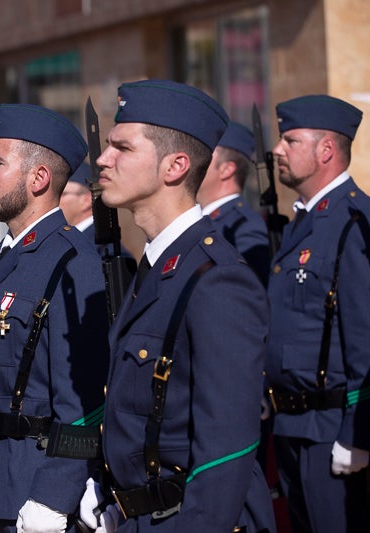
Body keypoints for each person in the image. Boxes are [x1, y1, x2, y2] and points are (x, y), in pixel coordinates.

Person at [80, 80, 275, 532]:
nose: (104, 159)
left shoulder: (217, 279)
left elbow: (226, 453)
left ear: (175, 166)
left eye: (121, 148)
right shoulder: (157, 265)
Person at [0, 103, 110, 531]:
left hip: (36, 492)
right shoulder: (4, 256)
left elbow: (83, 401)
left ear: (38, 178)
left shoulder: (71, 261)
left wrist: (55, 495)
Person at [264, 94, 370, 533]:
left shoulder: (355, 223)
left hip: (330, 429)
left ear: (326, 151)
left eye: (290, 140)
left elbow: (369, 339)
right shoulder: (307, 220)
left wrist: (357, 434)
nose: (278, 149)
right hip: (293, 423)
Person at [196, 121, 269, 286]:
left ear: (226, 169)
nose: (193, 162)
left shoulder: (244, 227)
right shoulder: (204, 220)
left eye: (203, 155)